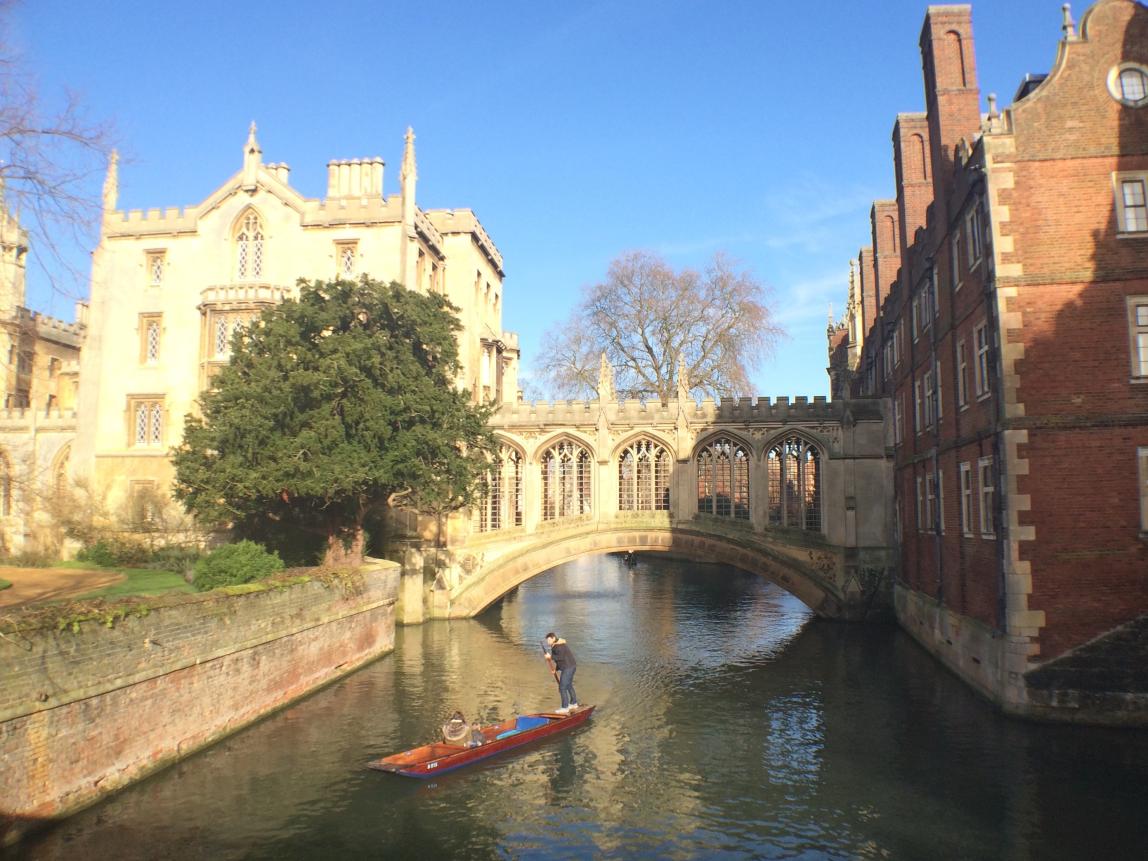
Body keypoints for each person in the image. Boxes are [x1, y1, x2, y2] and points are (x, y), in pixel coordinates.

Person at [543, 632, 579, 714]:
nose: (547, 642)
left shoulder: (558, 646)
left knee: (562, 687)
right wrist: (556, 669)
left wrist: (550, 657)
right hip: (571, 666)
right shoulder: (556, 645)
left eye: (549, 640)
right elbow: (560, 660)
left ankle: (565, 707)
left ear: (553, 638)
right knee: (568, 685)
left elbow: (561, 657)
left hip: (568, 668)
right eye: (547, 640)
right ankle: (574, 703)